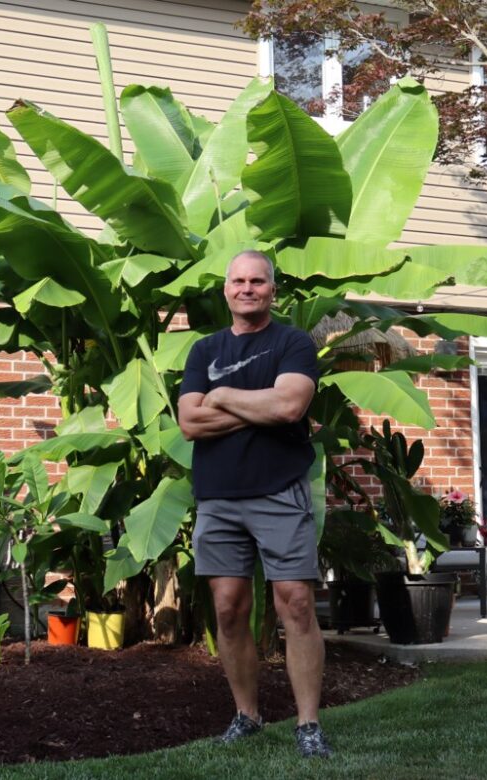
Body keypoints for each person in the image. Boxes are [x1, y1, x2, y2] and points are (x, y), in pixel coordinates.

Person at [178, 249, 330, 759]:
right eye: (239, 281)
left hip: (278, 490)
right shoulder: (204, 350)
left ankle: (308, 724)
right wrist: (255, 408)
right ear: (226, 289)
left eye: (258, 281)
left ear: (272, 289)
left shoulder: (292, 342)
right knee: (227, 610)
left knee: (297, 605)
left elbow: (290, 406)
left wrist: (219, 397)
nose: (248, 288)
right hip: (218, 495)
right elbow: (189, 423)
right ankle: (247, 715)